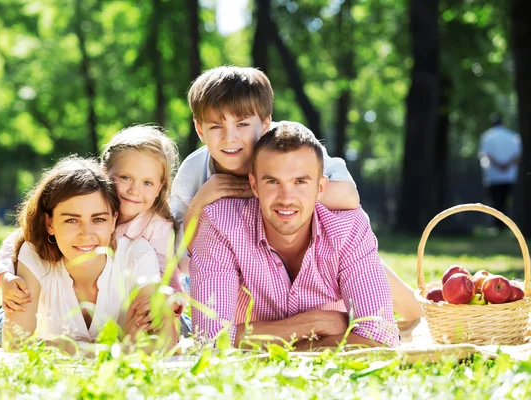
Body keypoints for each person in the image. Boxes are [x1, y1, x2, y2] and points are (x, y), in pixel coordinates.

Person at [171, 65, 422, 321]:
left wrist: (262, 191)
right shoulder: (194, 172)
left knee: (410, 311)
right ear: (200, 130)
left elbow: (348, 197)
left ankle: (412, 311)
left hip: (307, 246)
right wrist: (200, 202)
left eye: (243, 123)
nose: (230, 138)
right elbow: (182, 259)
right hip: (239, 267)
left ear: (266, 123)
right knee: (244, 323)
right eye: (216, 127)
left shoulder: (290, 144)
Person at [190, 122, 399, 348]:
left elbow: (381, 336)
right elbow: (209, 339)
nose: (286, 198)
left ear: (321, 187)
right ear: (254, 185)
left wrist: (269, 348)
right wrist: (315, 323)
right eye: (272, 181)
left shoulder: (348, 228)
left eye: (300, 182)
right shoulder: (221, 224)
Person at [0, 126, 188, 344]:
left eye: (99, 219)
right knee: (2, 330)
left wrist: (169, 297)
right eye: (125, 178)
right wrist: (5, 275)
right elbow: (22, 240)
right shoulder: (83, 197)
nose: (134, 190)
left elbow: (168, 271)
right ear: (104, 173)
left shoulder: (154, 228)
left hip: (150, 292)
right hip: (48, 294)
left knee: (183, 328)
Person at [479, 113, 522, 229]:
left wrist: (498, 165)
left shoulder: (486, 136)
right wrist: (506, 164)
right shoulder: (512, 136)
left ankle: (498, 225)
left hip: (493, 176)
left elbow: (486, 154)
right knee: (506, 200)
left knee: (495, 202)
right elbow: (517, 156)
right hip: (509, 175)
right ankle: (506, 225)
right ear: (503, 123)